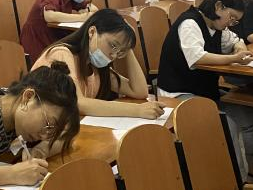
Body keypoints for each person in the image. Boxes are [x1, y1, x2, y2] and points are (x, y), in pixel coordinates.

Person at [157, 0, 253, 187]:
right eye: (231, 17)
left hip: (206, 92)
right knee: (226, 124)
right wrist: (234, 58)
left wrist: (240, 51)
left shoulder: (216, 27)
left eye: (235, 21)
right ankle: (236, 184)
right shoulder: (190, 23)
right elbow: (198, 58)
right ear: (219, 6)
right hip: (178, 94)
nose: (230, 23)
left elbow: (236, 41)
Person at [31, 9, 161, 119]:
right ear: (92, 32)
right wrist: (137, 110)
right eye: (113, 45)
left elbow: (139, 91)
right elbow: (78, 103)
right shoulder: (61, 54)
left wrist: (127, 47)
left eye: (120, 52)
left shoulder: (97, 67)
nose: (114, 55)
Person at [19, 0, 98, 58]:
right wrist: (82, 17)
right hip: (37, 39)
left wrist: (84, 10)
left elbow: (94, 9)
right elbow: (49, 16)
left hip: (52, 37)